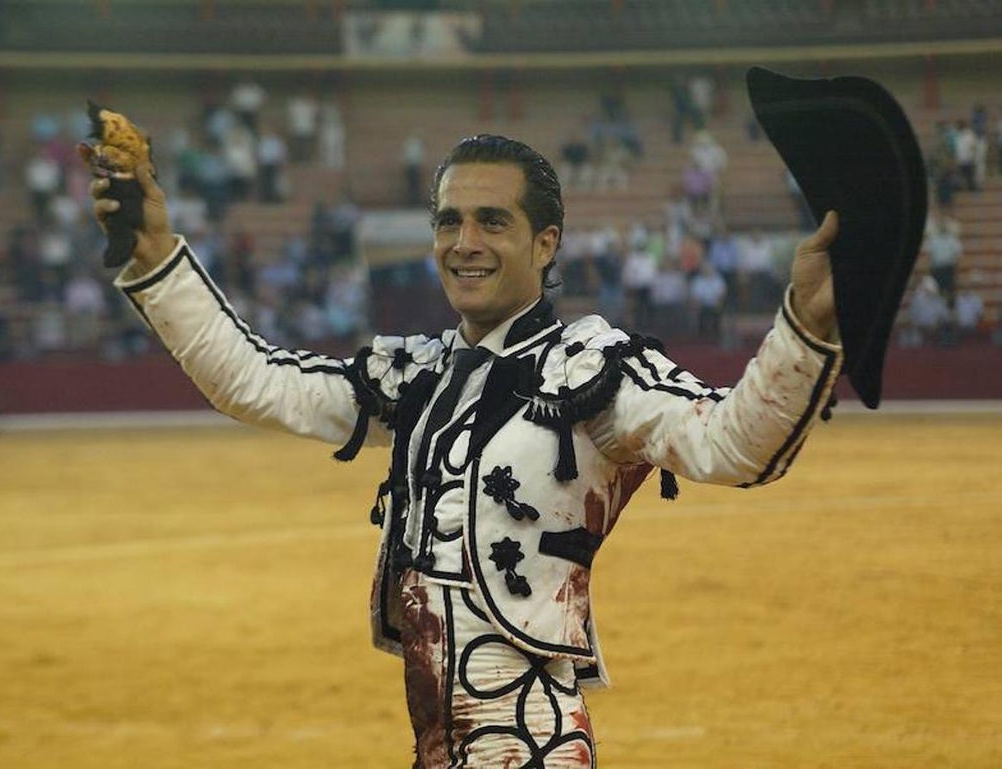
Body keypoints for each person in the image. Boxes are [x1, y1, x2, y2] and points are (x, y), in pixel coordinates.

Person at [89, 133, 842, 769]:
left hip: (531, 742)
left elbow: (736, 443)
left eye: (492, 221)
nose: (465, 242)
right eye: (449, 221)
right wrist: (158, 255)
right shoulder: (418, 375)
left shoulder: (594, 371)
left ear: (546, 243)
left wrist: (804, 323)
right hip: (437, 744)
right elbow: (253, 380)